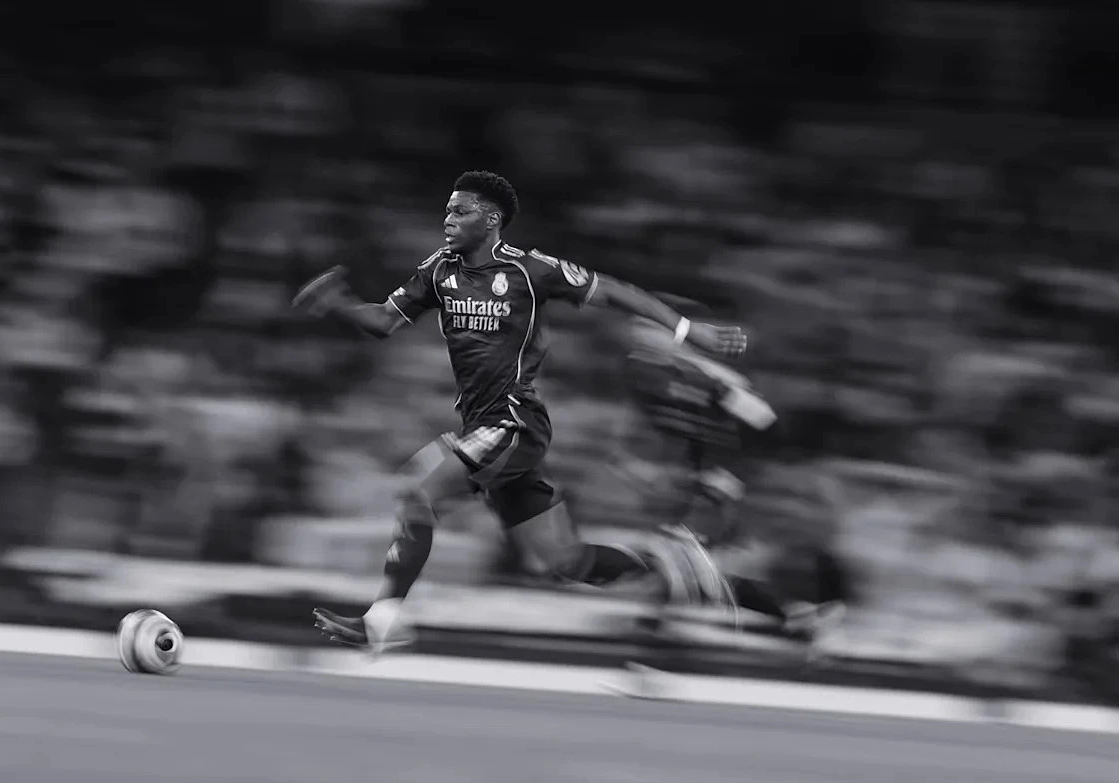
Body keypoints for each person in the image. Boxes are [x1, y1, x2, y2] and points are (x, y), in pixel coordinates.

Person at [293, 170, 747, 653]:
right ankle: (671, 569)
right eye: (447, 210)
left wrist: (687, 331)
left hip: (513, 423)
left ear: (491, 219)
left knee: (418, 493)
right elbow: (384, 320)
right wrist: (336, 302)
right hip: (483, 429)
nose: (448, 219)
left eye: (460, 210)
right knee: (567, 561)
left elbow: (614, 291)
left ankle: (382, 622)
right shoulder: (439, 271)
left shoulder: (530, 271)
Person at [620, 311, 847, 643]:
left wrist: (730, 475)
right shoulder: (642, 373)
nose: (640, 337)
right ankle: (796, 617)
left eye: (649, 331)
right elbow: (674, 428)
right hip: (698, 477)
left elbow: (764, 422)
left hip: (725, 476)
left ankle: (659, 623)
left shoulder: (704, 377)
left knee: (683, 550)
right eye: (638, 331)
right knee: (691, 558)